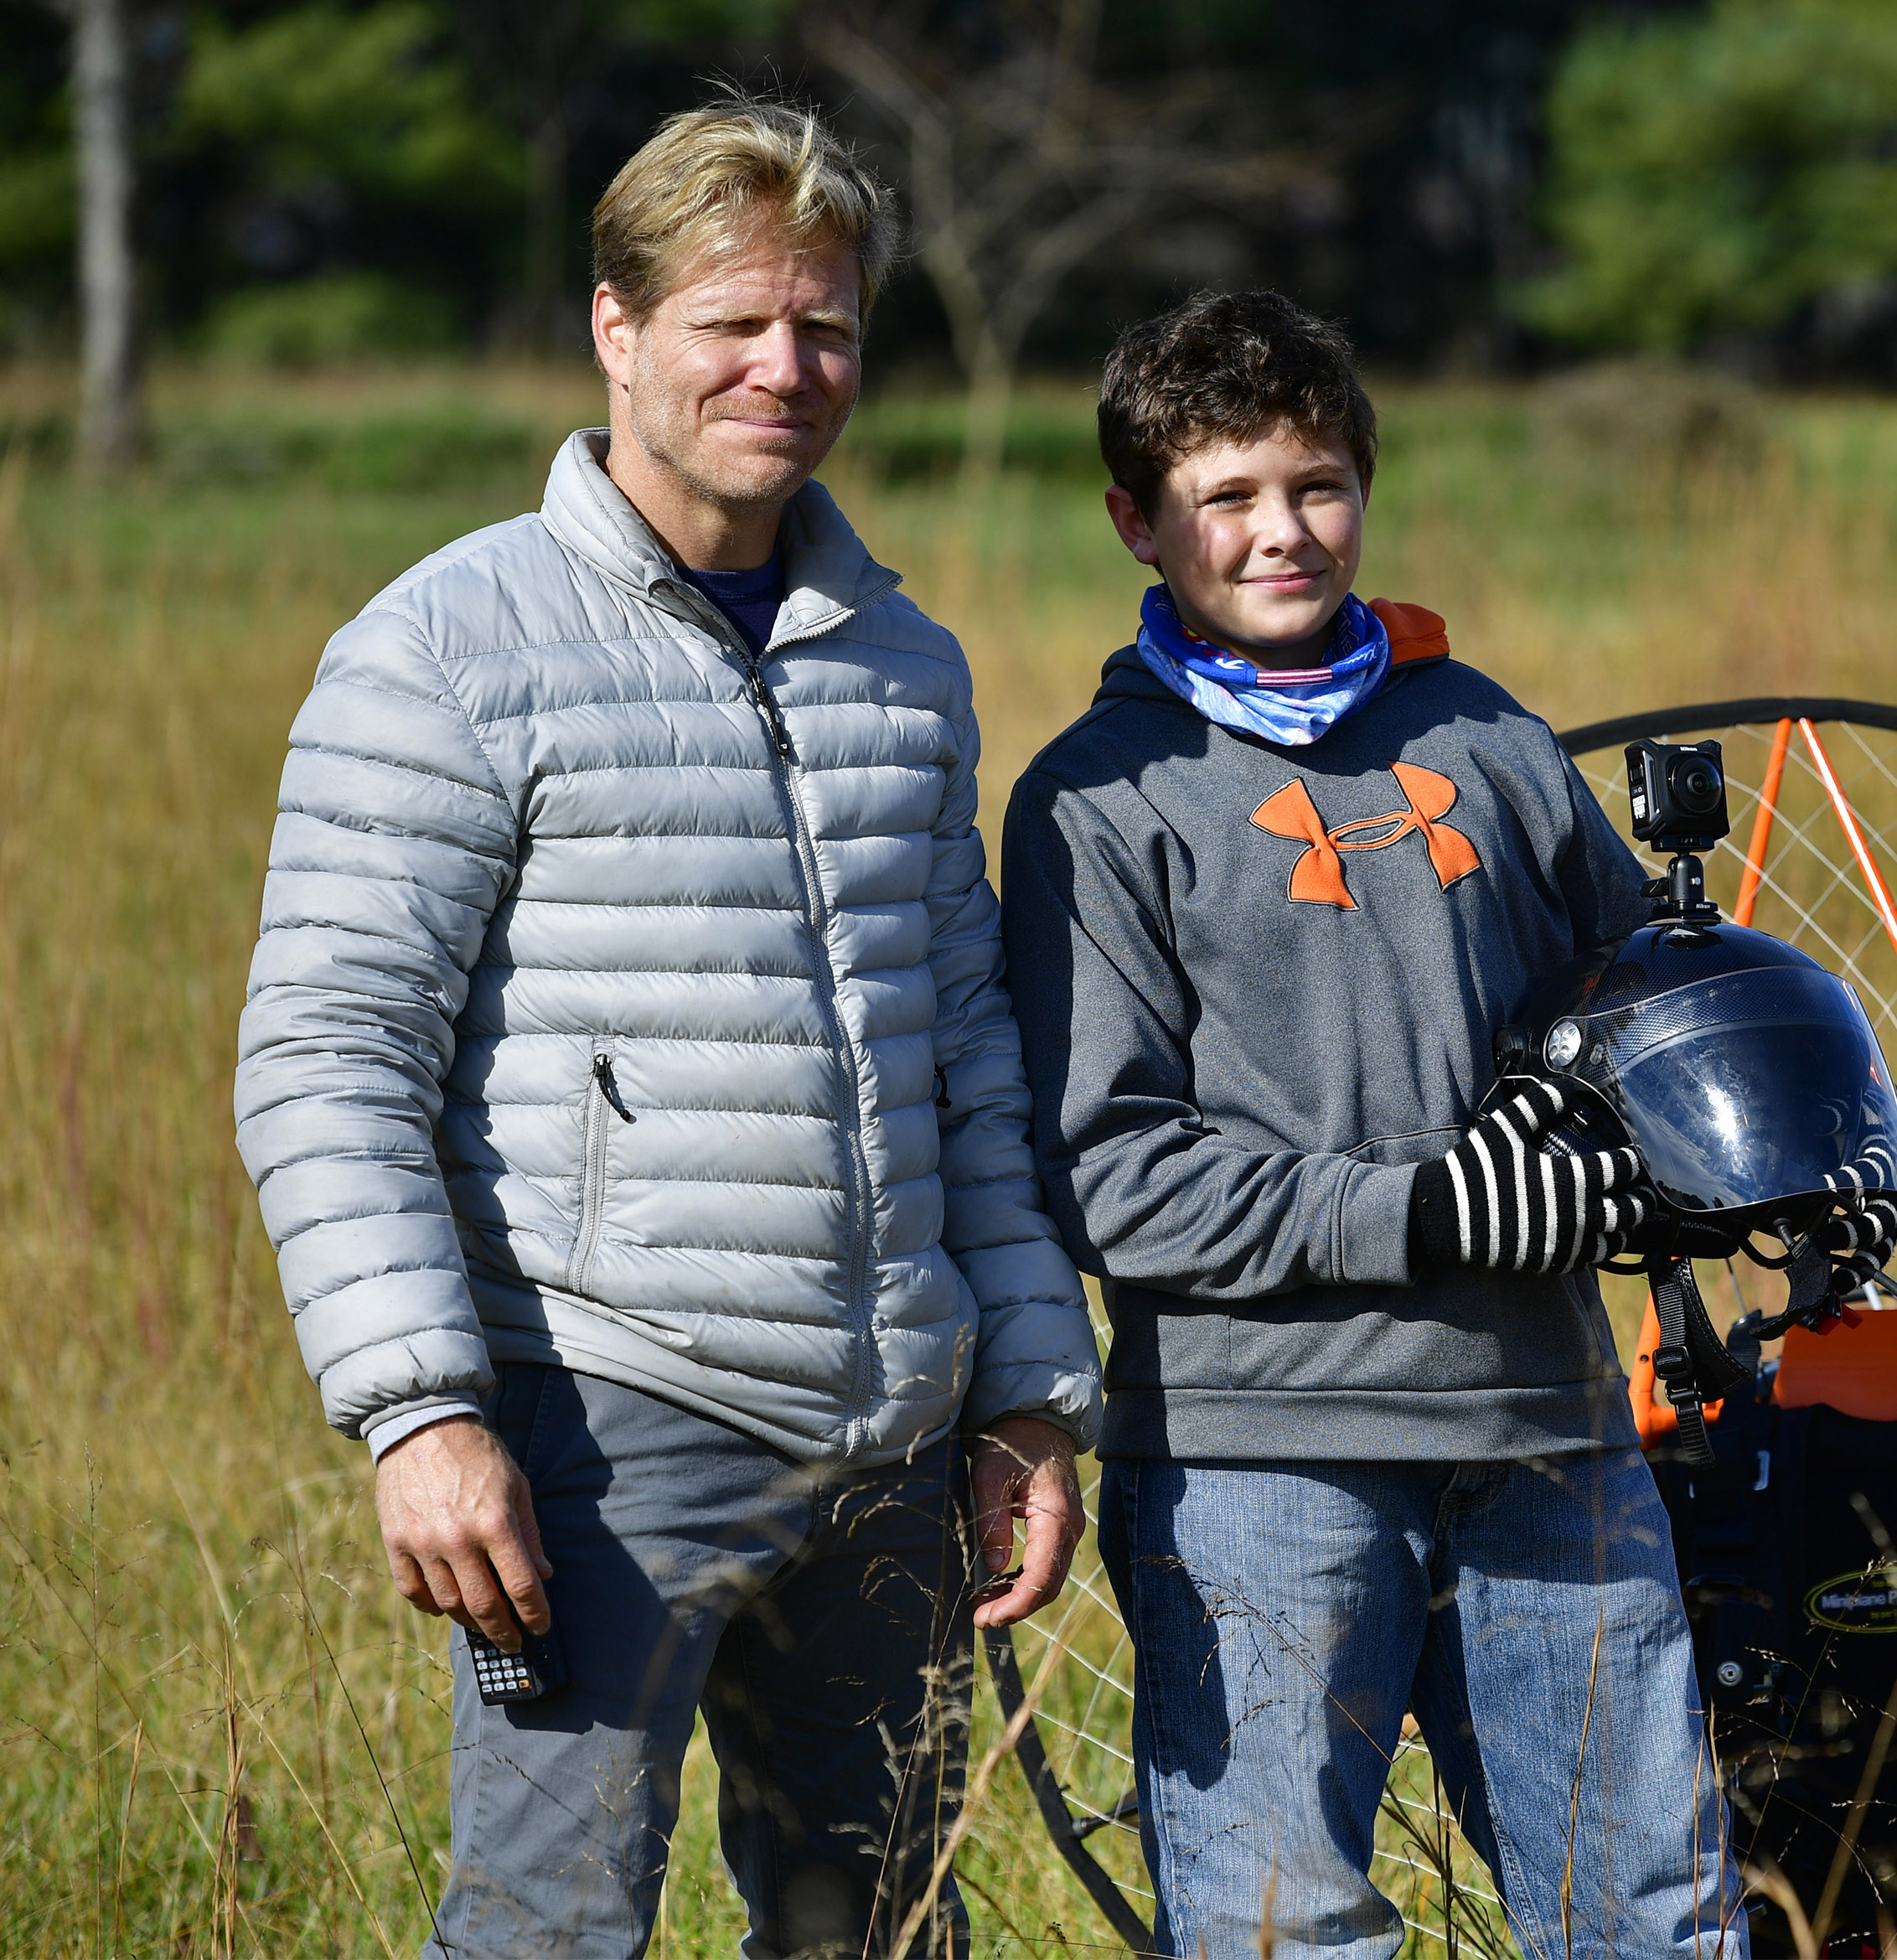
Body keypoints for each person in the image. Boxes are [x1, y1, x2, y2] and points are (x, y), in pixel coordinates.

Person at [232, 96, 1098, 1959]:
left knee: (879, 1931)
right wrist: (422, 1415)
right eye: (732, 323)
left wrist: (1026, 1386)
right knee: (550, 1928)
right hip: (601, 1429)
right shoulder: (448, 645)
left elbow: (964, 1051)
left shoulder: (902, 661)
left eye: (828, 328)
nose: (786, 369)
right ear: (617, 331)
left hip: (894, 1433)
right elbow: (327, 1055)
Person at [997, 291, 1743, 1958]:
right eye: (1229, 495)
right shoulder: (1098, 799)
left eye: (1318, 484)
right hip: (1260, 1451)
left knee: (1651, 1912)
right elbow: (1108, 1175)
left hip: (1546, 1424)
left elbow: (1634, 1017)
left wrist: (1747, 1117)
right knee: (1290, 1928)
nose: (1282, 530)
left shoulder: (1480, 734)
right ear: (1138, 518)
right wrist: (1422, 1211)